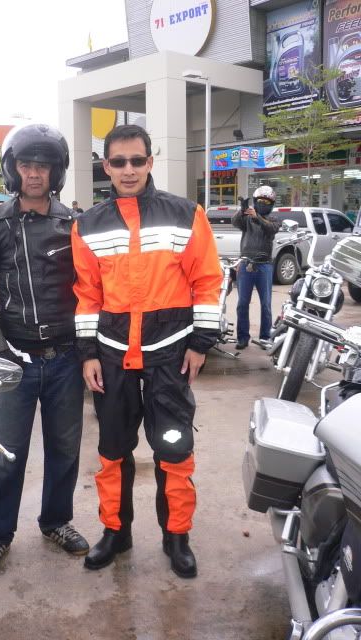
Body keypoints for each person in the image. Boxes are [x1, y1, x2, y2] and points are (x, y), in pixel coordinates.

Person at [71, 124, 223, 579]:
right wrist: (88, 353)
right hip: (113, 357)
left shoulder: (185, 214)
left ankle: (176, 536)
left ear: (150, 162)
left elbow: (207, 281)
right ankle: (116, 532)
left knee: (174, 449)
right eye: (119, 162)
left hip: (169, 357)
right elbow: (87, 295)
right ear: (106, 166)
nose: (129, 170)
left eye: (137, 160)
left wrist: (201, 344)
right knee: (113, 450)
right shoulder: (87, 224)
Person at [0, 123, 89, 577]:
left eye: (43, 165)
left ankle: (56, 521)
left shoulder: (72, 224)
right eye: (25, 164)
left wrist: (90, 351)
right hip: (13, 361)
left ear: (56, 171)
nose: (34, 173)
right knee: (6, 452)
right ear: (12, 169)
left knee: (65, 449)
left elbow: (90, 290)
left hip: (66, 359)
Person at [232, 185, 281, 350]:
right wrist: (242, 210)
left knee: (266, 304)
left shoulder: (273, 220)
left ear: (271, 204)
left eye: (267, 202)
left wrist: (257, 217)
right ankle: (242, 338)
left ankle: (265, 337)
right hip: (246, 264)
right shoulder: (247, 218)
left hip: (264, 265)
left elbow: (271, 228)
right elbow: (235, 222)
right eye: (260, 201)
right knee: (242, 303)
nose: (263, 204)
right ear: (255, 201)